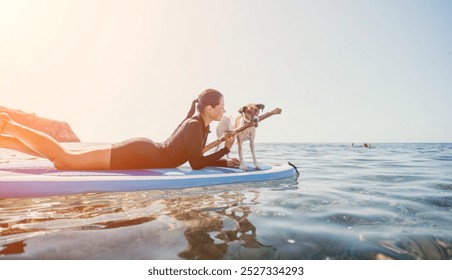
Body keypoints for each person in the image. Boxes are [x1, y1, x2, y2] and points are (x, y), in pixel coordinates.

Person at [0, 89, 240, 170]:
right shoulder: (195, 126)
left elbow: (194, 151)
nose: (224, 110)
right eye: (221, 106)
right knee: (65, 160)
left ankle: (6, 140)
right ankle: (10, 124)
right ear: (209, 108)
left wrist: (222, 150)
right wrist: (225, 153)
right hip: (140, 153)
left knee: (64, 159)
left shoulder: (198, 124)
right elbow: (196, 163)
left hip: (142, 150)